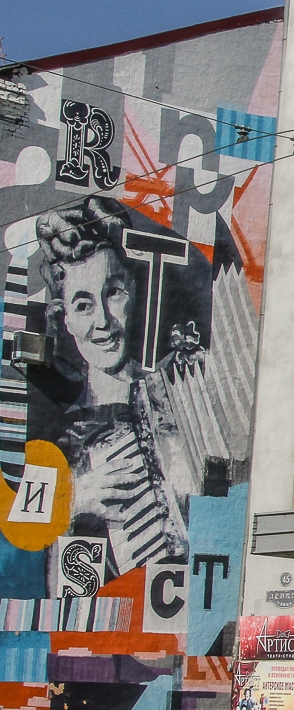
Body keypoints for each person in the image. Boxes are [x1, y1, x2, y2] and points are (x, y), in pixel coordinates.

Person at [37, 197, 199, 579]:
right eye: (82, 305)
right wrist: (72, 500)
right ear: (62, 319)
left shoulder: (182, 385)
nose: (104, 322)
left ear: (133, 290)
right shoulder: (60, 438)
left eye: (113, 292)